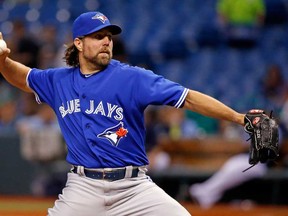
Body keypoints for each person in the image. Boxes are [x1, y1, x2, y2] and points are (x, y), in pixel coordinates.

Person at [0, 11, 248, 216]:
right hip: (83, 187)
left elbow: (189, 98)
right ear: (78, 43)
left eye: (108, 36)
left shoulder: (132, 77)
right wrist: (2, 61)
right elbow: (21, 76)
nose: (106, 41)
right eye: (98, 36)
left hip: (133, 187)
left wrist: (239, 118)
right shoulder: (58, 80)